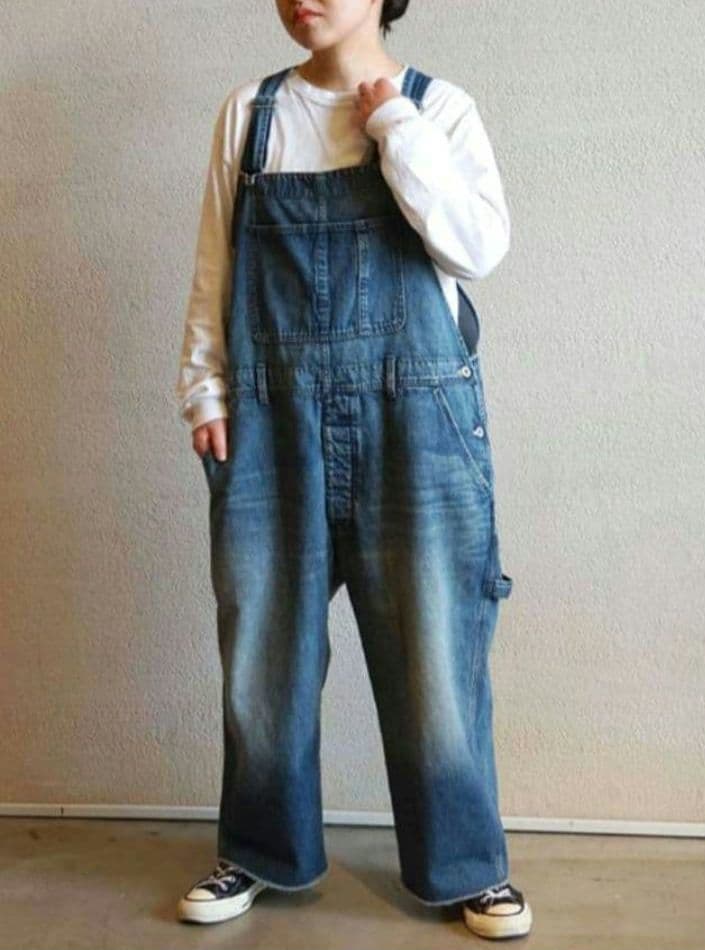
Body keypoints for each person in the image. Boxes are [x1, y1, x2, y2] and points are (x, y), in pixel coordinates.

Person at [174, 0, 532, 940]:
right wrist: (204, 391)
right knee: (264, 653)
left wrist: (395, 127)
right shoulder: (250, 115)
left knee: (436, 652)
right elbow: (214, 265)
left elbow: (477, 248)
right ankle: (259, 850)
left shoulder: (438, 107)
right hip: (270, 419)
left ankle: (468, 865)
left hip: (416, 423)